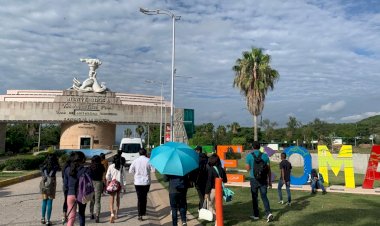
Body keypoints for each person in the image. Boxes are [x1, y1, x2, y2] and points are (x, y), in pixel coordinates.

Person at [245, 141, 274, 222]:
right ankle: (268, 213)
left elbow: (247, 168)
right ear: (260, 147)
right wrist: (270, 181)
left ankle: (256, 215)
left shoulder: (249, 156)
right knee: (264, 196)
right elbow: (268, 169)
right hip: (263, 179)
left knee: (255, 197)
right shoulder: (265, 156)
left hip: (253, 179)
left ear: (252, 147)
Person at [63, 151, 88, 226]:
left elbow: (65, 185)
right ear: (82, 160)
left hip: (70, 195)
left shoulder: (67, 169)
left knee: (71, 217)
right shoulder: (84, 170)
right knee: (81, 214)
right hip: (81, 195)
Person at [129, 148, 152, 221]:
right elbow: (153, 170)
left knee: (139, 198)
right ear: (145, 153)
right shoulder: (149, 160)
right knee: (144, 197)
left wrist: (136, 172)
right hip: (146, 182)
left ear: (139, 153)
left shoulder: (135, 161)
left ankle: (139, 215)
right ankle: (144, 211)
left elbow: (130, 171)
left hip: (138, 182)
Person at [40, 153, 60, 226]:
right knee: (50, 202)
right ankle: (48, 220)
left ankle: (43, 218)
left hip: (44, 185)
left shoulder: (43, 166)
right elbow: (57, 169)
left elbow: (42, 173)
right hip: (51, 185)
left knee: (44, 201)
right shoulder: (55, 166)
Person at [106, 154, 127, 223]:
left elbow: (107, 176)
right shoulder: (122, 167)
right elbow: (124, 178)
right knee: (118, 199)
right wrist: (124, 187)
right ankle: (117, 214)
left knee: (111, 200)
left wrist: (109, 182)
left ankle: (112, 214)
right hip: (119, 185)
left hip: (113, 184)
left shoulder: (111, 166)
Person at [89, 155, 105, 223]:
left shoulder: (90, 167)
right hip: (99, 183)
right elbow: (103, 175)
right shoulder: (102, 166)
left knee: (92, 199)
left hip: (91, 183)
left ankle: (91, 214)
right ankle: (97, 216)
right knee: (98, 201)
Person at [192, 146, 209, 211]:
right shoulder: (207, 158)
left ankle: (202, 209)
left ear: (198, 151)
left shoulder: (197, 159)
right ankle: (202, 208)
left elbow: (195, 170)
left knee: (201, 196)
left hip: (198, 180)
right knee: (205, 195)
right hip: (206, 180)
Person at [61, 152, 75, 224]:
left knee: (66, 200)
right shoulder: (72, 167)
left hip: (65, 185)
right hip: (71, 187)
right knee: (70, 201)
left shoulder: (65, 166)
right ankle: (69, 214)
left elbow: (63, 176)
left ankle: (64, 214)